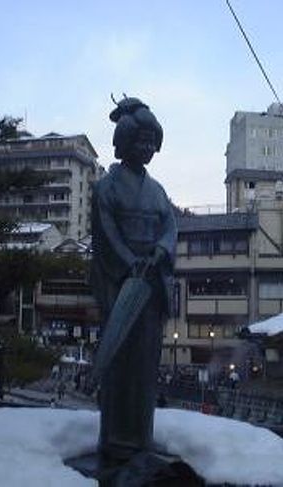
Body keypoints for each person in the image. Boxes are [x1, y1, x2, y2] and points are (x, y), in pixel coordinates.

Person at [92, 97, 177, 466]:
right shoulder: (106, 188)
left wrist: (160, 251)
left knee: (145, 361)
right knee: (120, 359)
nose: (146, 148)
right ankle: (115, 436)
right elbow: (105, 233)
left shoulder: (157, 190)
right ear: (124, 142)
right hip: (121, 283)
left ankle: (141, 434)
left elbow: (170, 226)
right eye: (139, 141)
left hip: (152, 281)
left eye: (150, 142)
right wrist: (130, 263)